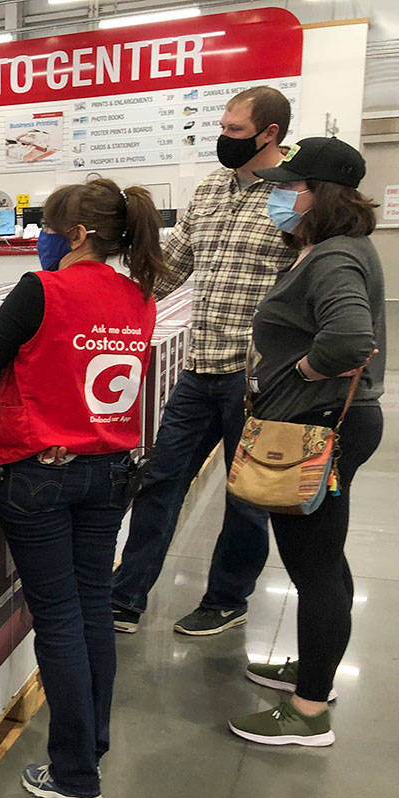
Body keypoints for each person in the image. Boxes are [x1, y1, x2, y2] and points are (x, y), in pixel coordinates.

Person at [0, 177, 164, 798]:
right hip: (110, 473)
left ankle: (74, 777)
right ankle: (90, 747)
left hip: (40, 477)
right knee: (93, 607)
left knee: (59, 620)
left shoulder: (39, 290)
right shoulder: (139, 296)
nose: (40, 239)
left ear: (74, 235)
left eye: (46, 228)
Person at [112, 86, 298, 637]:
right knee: (161, 481)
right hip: (200, 368)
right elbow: (171, 268)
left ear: (270, 134)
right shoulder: (212, 188)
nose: (223, 138)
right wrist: (103, 298)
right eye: (223, 127)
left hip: (258, 378)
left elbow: (309, 281)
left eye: (235, 131)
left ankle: (226, 599)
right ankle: (125, 596)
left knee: (246, 498)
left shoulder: (294, 195)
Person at [228, 137, 385, 746]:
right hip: (323, 423)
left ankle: (310, 709)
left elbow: (349, 339)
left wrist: (301, 371)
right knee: (324, 557)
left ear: (321, 195)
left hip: (318, 427)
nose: (281, 196)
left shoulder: (334, 257)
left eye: (292, 186)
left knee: (313, 566)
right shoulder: (329, 249)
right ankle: (316, 667)